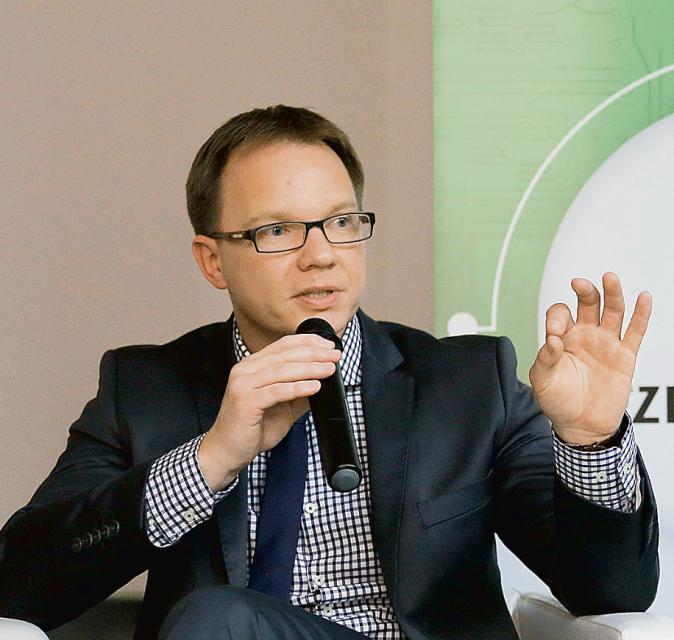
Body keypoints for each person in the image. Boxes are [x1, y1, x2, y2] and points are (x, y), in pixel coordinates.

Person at [0, 105, 658, 640]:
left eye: (341, 222)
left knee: (220, 620)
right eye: (277, 231)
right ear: (212, 260)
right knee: (221, 619)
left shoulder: (467, 383)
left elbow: (612, 595)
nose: (321, 256)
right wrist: (210, 459)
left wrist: (591, 442)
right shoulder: (146, 390)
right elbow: (18, 587)